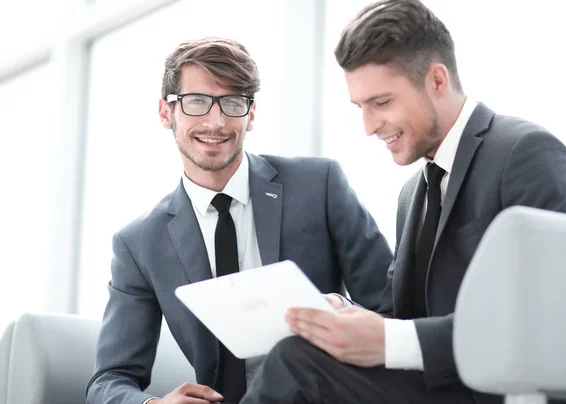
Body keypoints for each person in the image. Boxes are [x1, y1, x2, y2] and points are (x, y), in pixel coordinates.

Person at [240, 1, 566, 403]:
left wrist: (390, 339)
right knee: (304, 351)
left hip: (499, 391)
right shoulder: (412, 195)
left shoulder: (526, 153)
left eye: (381, 102)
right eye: (361, 107)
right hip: (432, 386)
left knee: (296, 363)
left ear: (437, 80)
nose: (369, 127)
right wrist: (342, 316)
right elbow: (396, 319)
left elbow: (551, 321)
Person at [85, 37, 393, 404]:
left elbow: (392, 310)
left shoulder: (319, 186)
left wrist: (343, 312)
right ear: (166, 112)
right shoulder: (138, 244)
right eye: (196, 102)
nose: (216, 122)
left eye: (232, 103)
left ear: (251, 113)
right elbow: (109, 382)